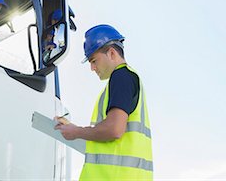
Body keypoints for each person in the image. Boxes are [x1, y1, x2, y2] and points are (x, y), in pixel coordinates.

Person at [55, 24, 153, 180]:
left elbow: (114, 129)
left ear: (112, 53)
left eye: (94, 61)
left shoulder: (121, 77)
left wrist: (77, 132)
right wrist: (73, 130)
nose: (92, 68)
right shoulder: (126, 79)